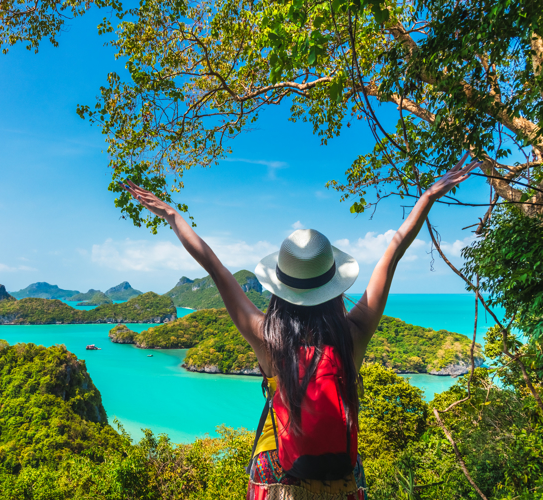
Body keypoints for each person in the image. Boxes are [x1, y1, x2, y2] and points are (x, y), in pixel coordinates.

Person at [123, 154, 480, 500]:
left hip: (277, 476)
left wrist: (172, 215)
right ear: (333, 285)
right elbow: (393, 252)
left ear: (280, 289)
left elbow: (214, 268)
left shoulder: (267, 338)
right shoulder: (353, 334)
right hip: (341, 478)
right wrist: (428, 197)